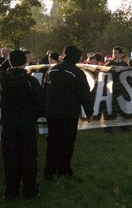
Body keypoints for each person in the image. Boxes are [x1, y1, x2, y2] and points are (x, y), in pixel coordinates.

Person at [0, 50, 44, 200]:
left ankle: (10, 190)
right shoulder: (31, 82)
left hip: (9, 124)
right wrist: (33, 116)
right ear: (25, 62)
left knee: (10, 158)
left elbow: (1, 69)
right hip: (27, 124)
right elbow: (40, 105)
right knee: (29, 157)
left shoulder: (2, 79)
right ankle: (30, 190)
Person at [43, 45, 93, 180]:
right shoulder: (76, 72)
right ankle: (64, 170)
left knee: (52, 142)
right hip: (69, 113)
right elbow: (84, 93)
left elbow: (45, 91)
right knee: (67, 142)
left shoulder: (51, 70)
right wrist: (89, 112)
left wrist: (44, 108)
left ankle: (49, 170)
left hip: (52, 112)